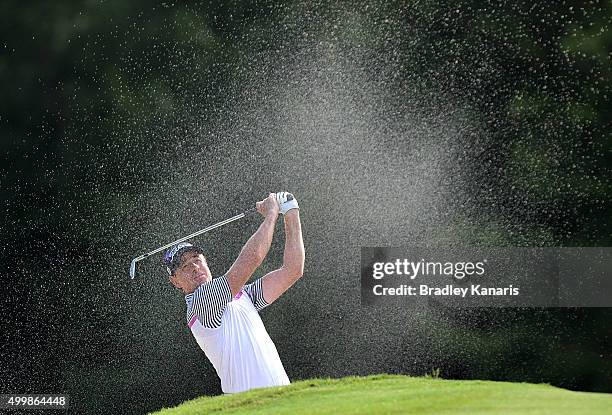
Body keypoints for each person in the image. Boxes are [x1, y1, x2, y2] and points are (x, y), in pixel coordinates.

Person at [163, 192, 305, 394]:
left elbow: (293, 270)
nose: (194, 267)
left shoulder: (243, 296)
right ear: (175, 281)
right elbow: (253, 257)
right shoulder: (200, 303)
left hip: (283, 399)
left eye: (197, 259)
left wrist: (291, 210)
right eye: (184, 266)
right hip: (249, 405)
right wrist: (272, 213)